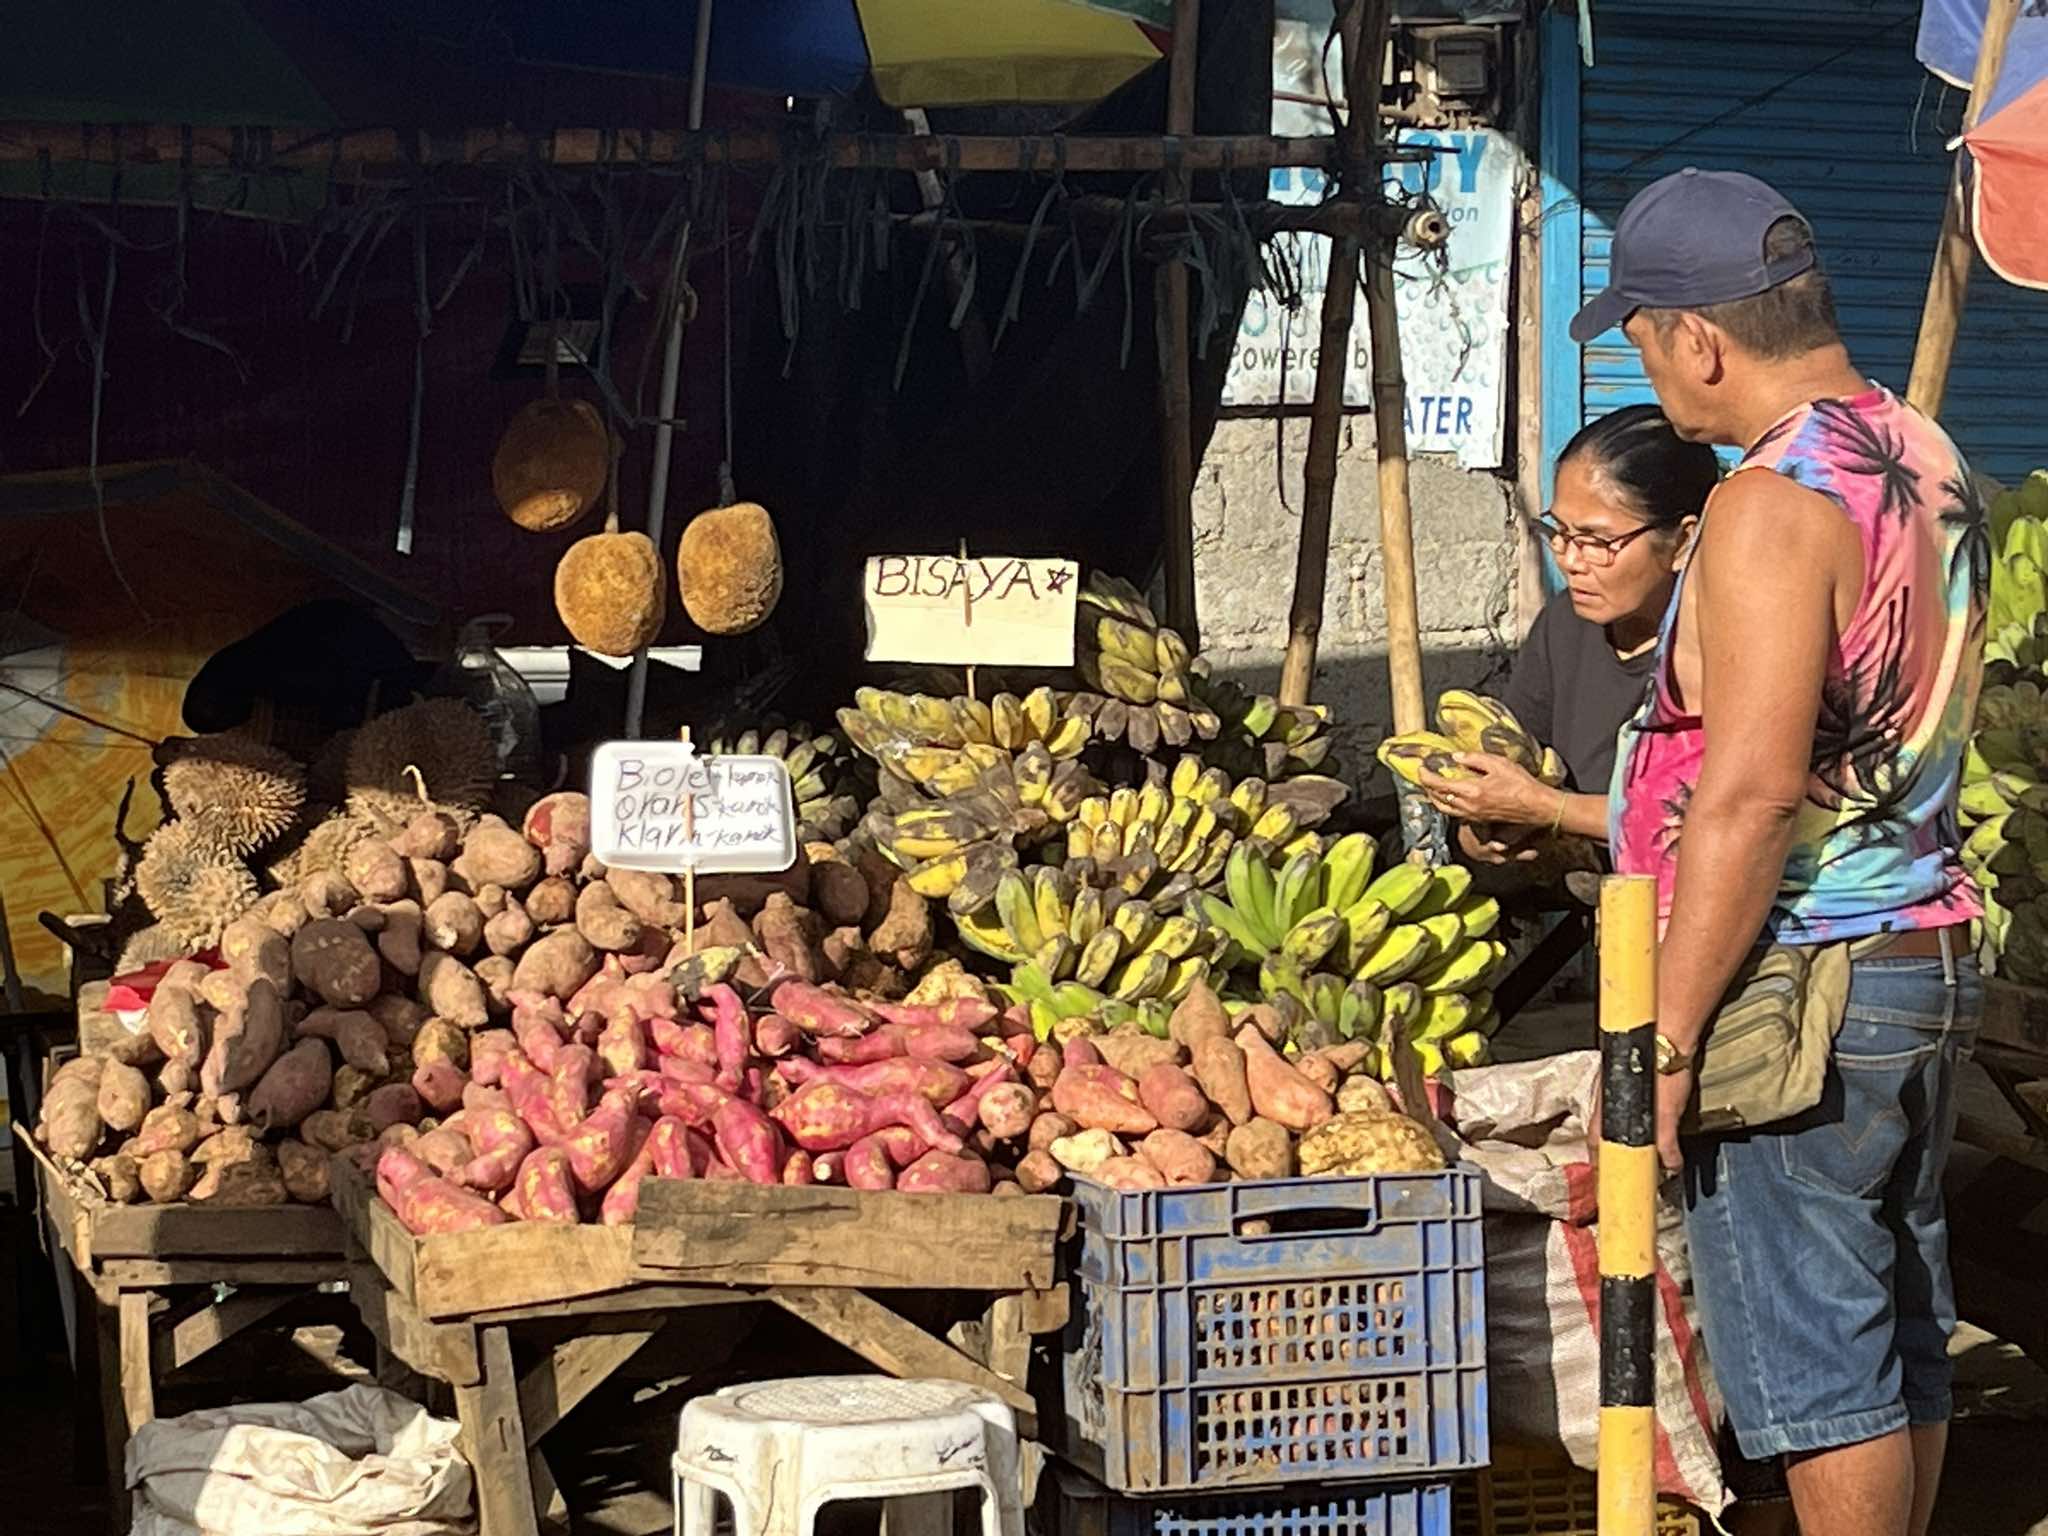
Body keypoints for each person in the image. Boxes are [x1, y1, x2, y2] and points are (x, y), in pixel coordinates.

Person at [1573, 168, 1987, 1536]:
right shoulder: (1922, 453)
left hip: (1799, 979)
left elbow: (1748, 797)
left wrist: (1668, 1041)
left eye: (1641, 341)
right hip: (1916, 952)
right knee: (1898, 1332)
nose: (1657, 380)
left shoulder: (1766, 500)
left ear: (1701, 339)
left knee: (1823, 1372)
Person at [1419, 405, 1719, 862]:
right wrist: (1484, 828)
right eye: (1558, 532)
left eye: (1596, 542)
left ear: (1682, 541)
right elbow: (1520, 757)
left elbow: (1716, 819)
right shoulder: (1565, 625)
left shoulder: (1725, 650)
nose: (1569, 560)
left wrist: (1548, 808)